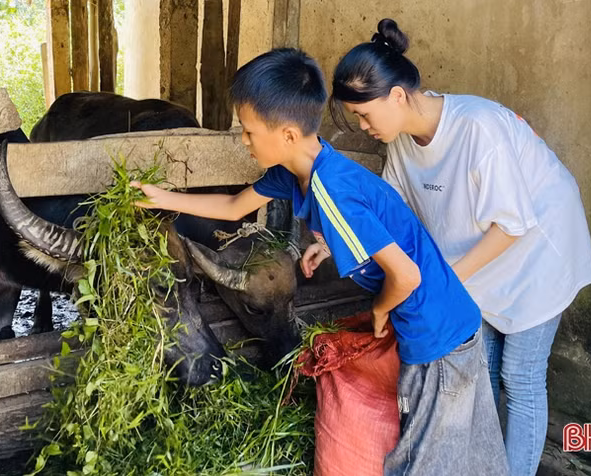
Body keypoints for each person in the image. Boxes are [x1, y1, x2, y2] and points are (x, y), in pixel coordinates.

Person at [133, 48, 508, 475]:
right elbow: (236, 205)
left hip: (434, 334)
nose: (243, 140)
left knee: (422, 460)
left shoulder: (333, 191)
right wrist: (164, 198)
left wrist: (380, 310)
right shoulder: (300, 167)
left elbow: (406, 275)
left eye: (249, 131)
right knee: (471, 452)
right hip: (449, 317)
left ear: (288, 134)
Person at [329, 18, 591, 476]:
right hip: (476, 260)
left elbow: (513, 225)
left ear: (397, 96)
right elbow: (392, 216)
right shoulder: (401, 144)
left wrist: (446, 278)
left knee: (520, 375)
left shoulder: (478, 128)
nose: (362, 125)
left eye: (364, 113)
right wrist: (333, 242)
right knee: (480, 368)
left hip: (538, 252)